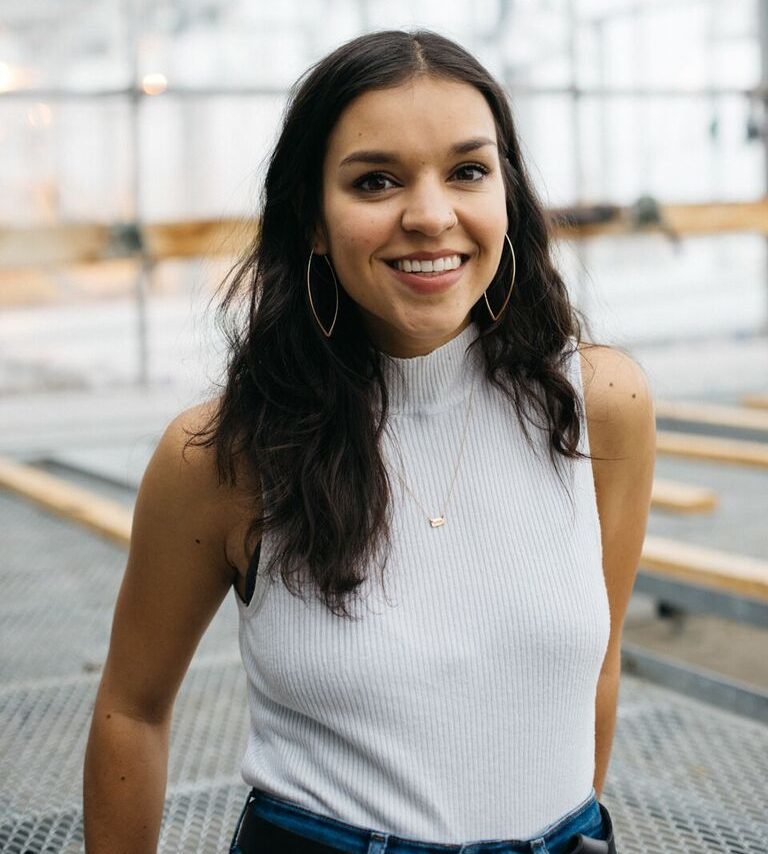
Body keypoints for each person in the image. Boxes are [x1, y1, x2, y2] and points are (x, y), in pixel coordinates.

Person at [83, 28, 654, 854]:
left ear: (508, 195)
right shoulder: (225, 456)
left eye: (468, 171)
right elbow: (131, 711)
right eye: (376, 180)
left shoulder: (600, 405)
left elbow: (598, 668)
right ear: (312, 222)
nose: (430, 216)